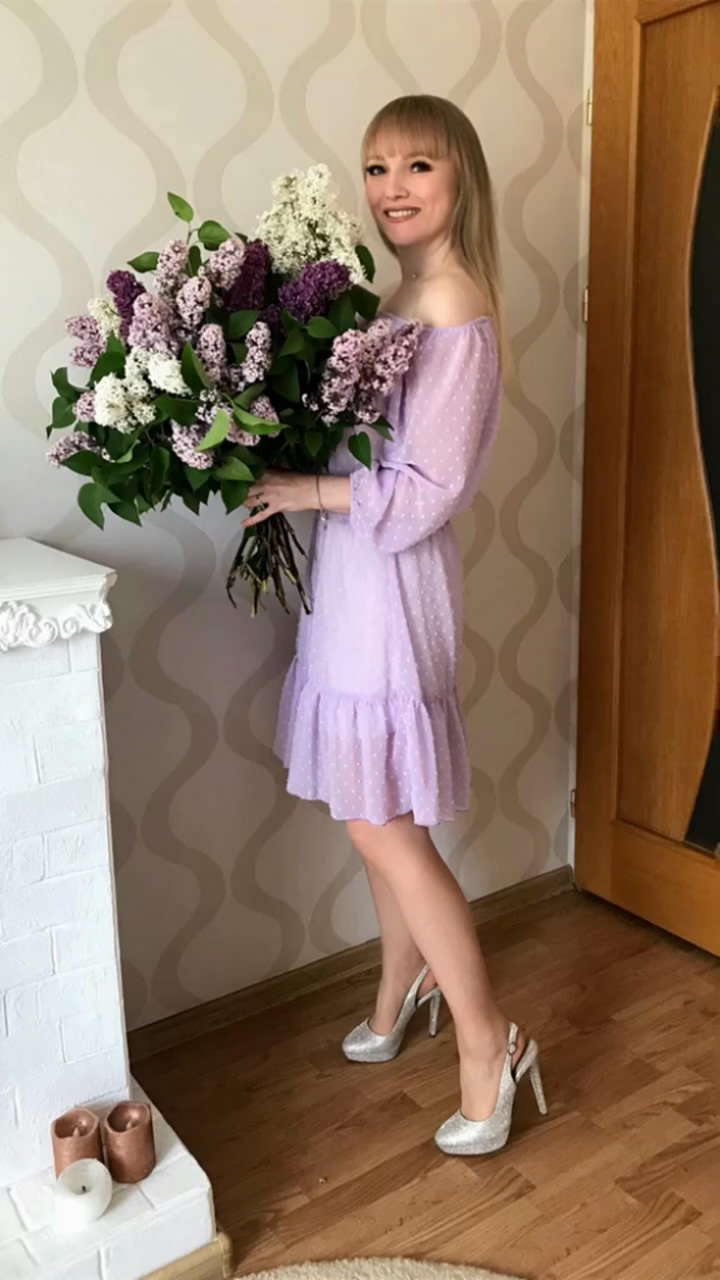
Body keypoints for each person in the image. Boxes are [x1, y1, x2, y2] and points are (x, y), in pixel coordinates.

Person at [246, 94, 547, 1156]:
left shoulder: (454, 304)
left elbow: (429, 490)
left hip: (393, 581)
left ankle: (490, 1041)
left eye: (418, 165)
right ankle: (399, 989)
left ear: (461, 177)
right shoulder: (394, 296)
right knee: (368, 805)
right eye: (377, 168)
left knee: (385, 825)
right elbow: (366, 447)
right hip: (353, 576)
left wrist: (305, 490)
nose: (392, 188)